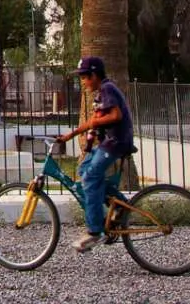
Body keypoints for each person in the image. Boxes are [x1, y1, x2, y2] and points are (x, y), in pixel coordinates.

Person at [55, 56, 135, 253]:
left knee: (90, 177)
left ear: (95, 75)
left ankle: (94, 231)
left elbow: (116, 115)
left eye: (84, 77)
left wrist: (95, 124)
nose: (82, 82)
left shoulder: (108, 88)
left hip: (117, 142)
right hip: (109, 142)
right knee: (84, 169)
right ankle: (120, 205)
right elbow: (92, 121)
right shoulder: (101, 94)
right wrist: (70, 135)